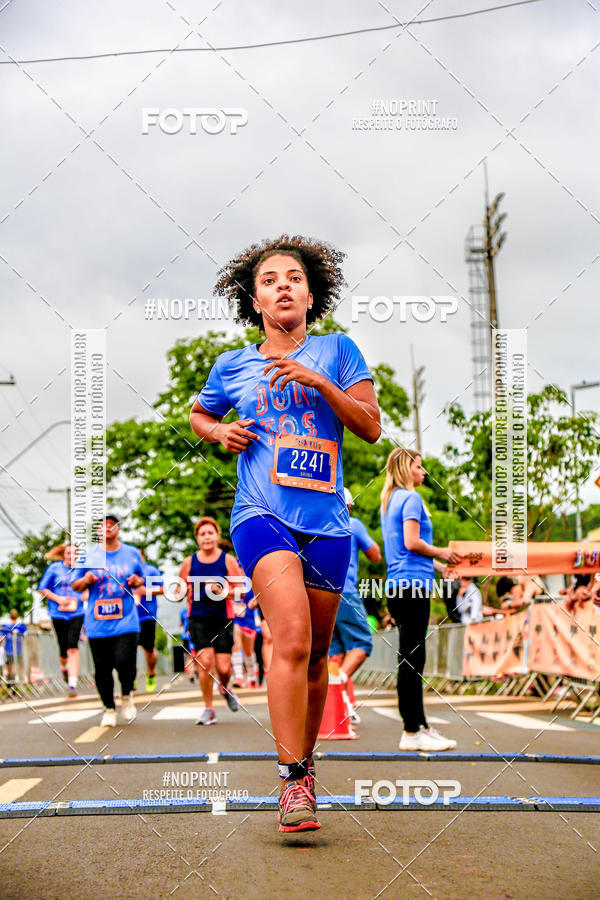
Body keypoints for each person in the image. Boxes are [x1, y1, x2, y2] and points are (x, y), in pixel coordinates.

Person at [190, 235, 380, 832]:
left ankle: (308, 765)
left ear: (311, 291)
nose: (283, 286)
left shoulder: (340, 350)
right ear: (255, 299)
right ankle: (292, 781)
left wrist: (320, 383)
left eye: (294, 277)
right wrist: (219, 434)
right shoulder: (233, 364)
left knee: (319, 652)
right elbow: (200, 414)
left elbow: (372, 428)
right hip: (260, 515)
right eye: (270, 279)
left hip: (327, 522)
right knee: (291, 637)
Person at [380, 447, 460, 752]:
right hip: (412, 587)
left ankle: (421, 725)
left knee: (413, 659)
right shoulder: (410, 498)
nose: (424, 472)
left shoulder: (390, 501)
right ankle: (411, 730)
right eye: (419, 466)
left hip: (400, 586)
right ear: (405, 468)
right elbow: (412, 543)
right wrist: (441, 552)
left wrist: (439, 566)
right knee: (412, 661)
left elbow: (403, 548)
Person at [72, 515, 144, 726]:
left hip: (126, 619)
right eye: (103, 525)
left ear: (118, 529)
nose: (108, 528)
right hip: (98, 622)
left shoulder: (131, 553)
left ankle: (127, 696)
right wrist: (85, 580)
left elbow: (141, 579)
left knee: (125, 662)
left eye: (112, 524)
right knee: (102, 668)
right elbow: (75, 584)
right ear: (98, 531)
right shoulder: (89, 555)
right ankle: (109, 708)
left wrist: (137, 581)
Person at [177, 517, 241, 725]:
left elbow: (240, 591)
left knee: (223, 668)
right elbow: (177, 592)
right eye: (202, 534)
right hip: (198, 617)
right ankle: (208, 708)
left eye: (210, 533)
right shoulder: (189, 563)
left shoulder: (227, 560)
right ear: (197, 538)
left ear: (217, 536)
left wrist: (222, 591)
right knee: (205, 663)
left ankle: (225, 687)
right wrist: (183, 591)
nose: (206, 537)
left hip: (223, 618)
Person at [329, 487, 381, 723]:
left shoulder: (318, 524)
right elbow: (375, 555)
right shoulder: (353, 523)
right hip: (346, 591)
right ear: (348, 506)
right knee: (362, 642)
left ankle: (335, 702)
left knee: (335, 651)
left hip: (320, 593)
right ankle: (339, 680)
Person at [38, 543, 84, 697]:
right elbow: (42, 588)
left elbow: (88, 588)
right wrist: (59, 599)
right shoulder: (54, 569)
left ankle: (72, 684)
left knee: (73, 646)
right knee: (63, 649)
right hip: (58, 613)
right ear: (64, 555)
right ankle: (64, 668)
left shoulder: (81, 569)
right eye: (68, 553)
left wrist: (86, 596)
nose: (71, 557)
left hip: (77, 612)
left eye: (74, 554)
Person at [134, 550, 164, 693]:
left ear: (143, 556)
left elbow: (162, 589)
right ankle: (129, 678)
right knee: (128, 649)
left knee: (149, 650)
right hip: (129, 616)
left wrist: (144, 591)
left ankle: (151, 673)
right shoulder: (126, 570)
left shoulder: (150, 570)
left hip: (147, 615)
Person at [232, 583, 262, 689]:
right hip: (235, 619)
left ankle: (251, 677)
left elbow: (262, 594)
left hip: (249, 621)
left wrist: (256, 601)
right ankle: (239, 676)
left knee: (248, 650)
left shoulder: (251, 580)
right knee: (236, 644)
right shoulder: (230, 580)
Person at [1, 610, 27, 690]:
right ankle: (16, 687)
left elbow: (1, 638)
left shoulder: (5, 627)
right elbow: (26, 637)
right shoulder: (21, 627)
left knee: (10, 670)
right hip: (18, 652)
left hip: (9, 651)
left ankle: (11, 688)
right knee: (18, 669)